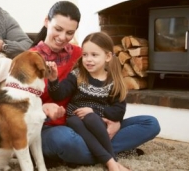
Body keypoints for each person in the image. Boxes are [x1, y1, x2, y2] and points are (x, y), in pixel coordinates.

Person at [30, 1, 161, 167]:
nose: (63, 37)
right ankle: (107, 154)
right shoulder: (28, 59)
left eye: (70, 32)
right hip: (54, 128)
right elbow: (15, 104)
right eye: (58, 29)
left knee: (150, 123)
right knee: (65, 140)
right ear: (46, 22)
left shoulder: (82, 54)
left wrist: (116, 121)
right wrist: (42, 108)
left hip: (93, 124)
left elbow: (116, 102)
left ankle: (92, 153)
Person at [46, 32, 130, 171]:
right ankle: (112, 161)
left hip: (100, 123)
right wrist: (53, 80)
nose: (88, 59)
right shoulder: (77, 75)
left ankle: (95, 152)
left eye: (94, 55)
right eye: (85, 55)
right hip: (75, 119)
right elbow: (59, 95)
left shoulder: (113, 81)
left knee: (149, 123)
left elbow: (119, 111)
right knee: (75, 121)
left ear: (108, 57)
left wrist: (95, 112)